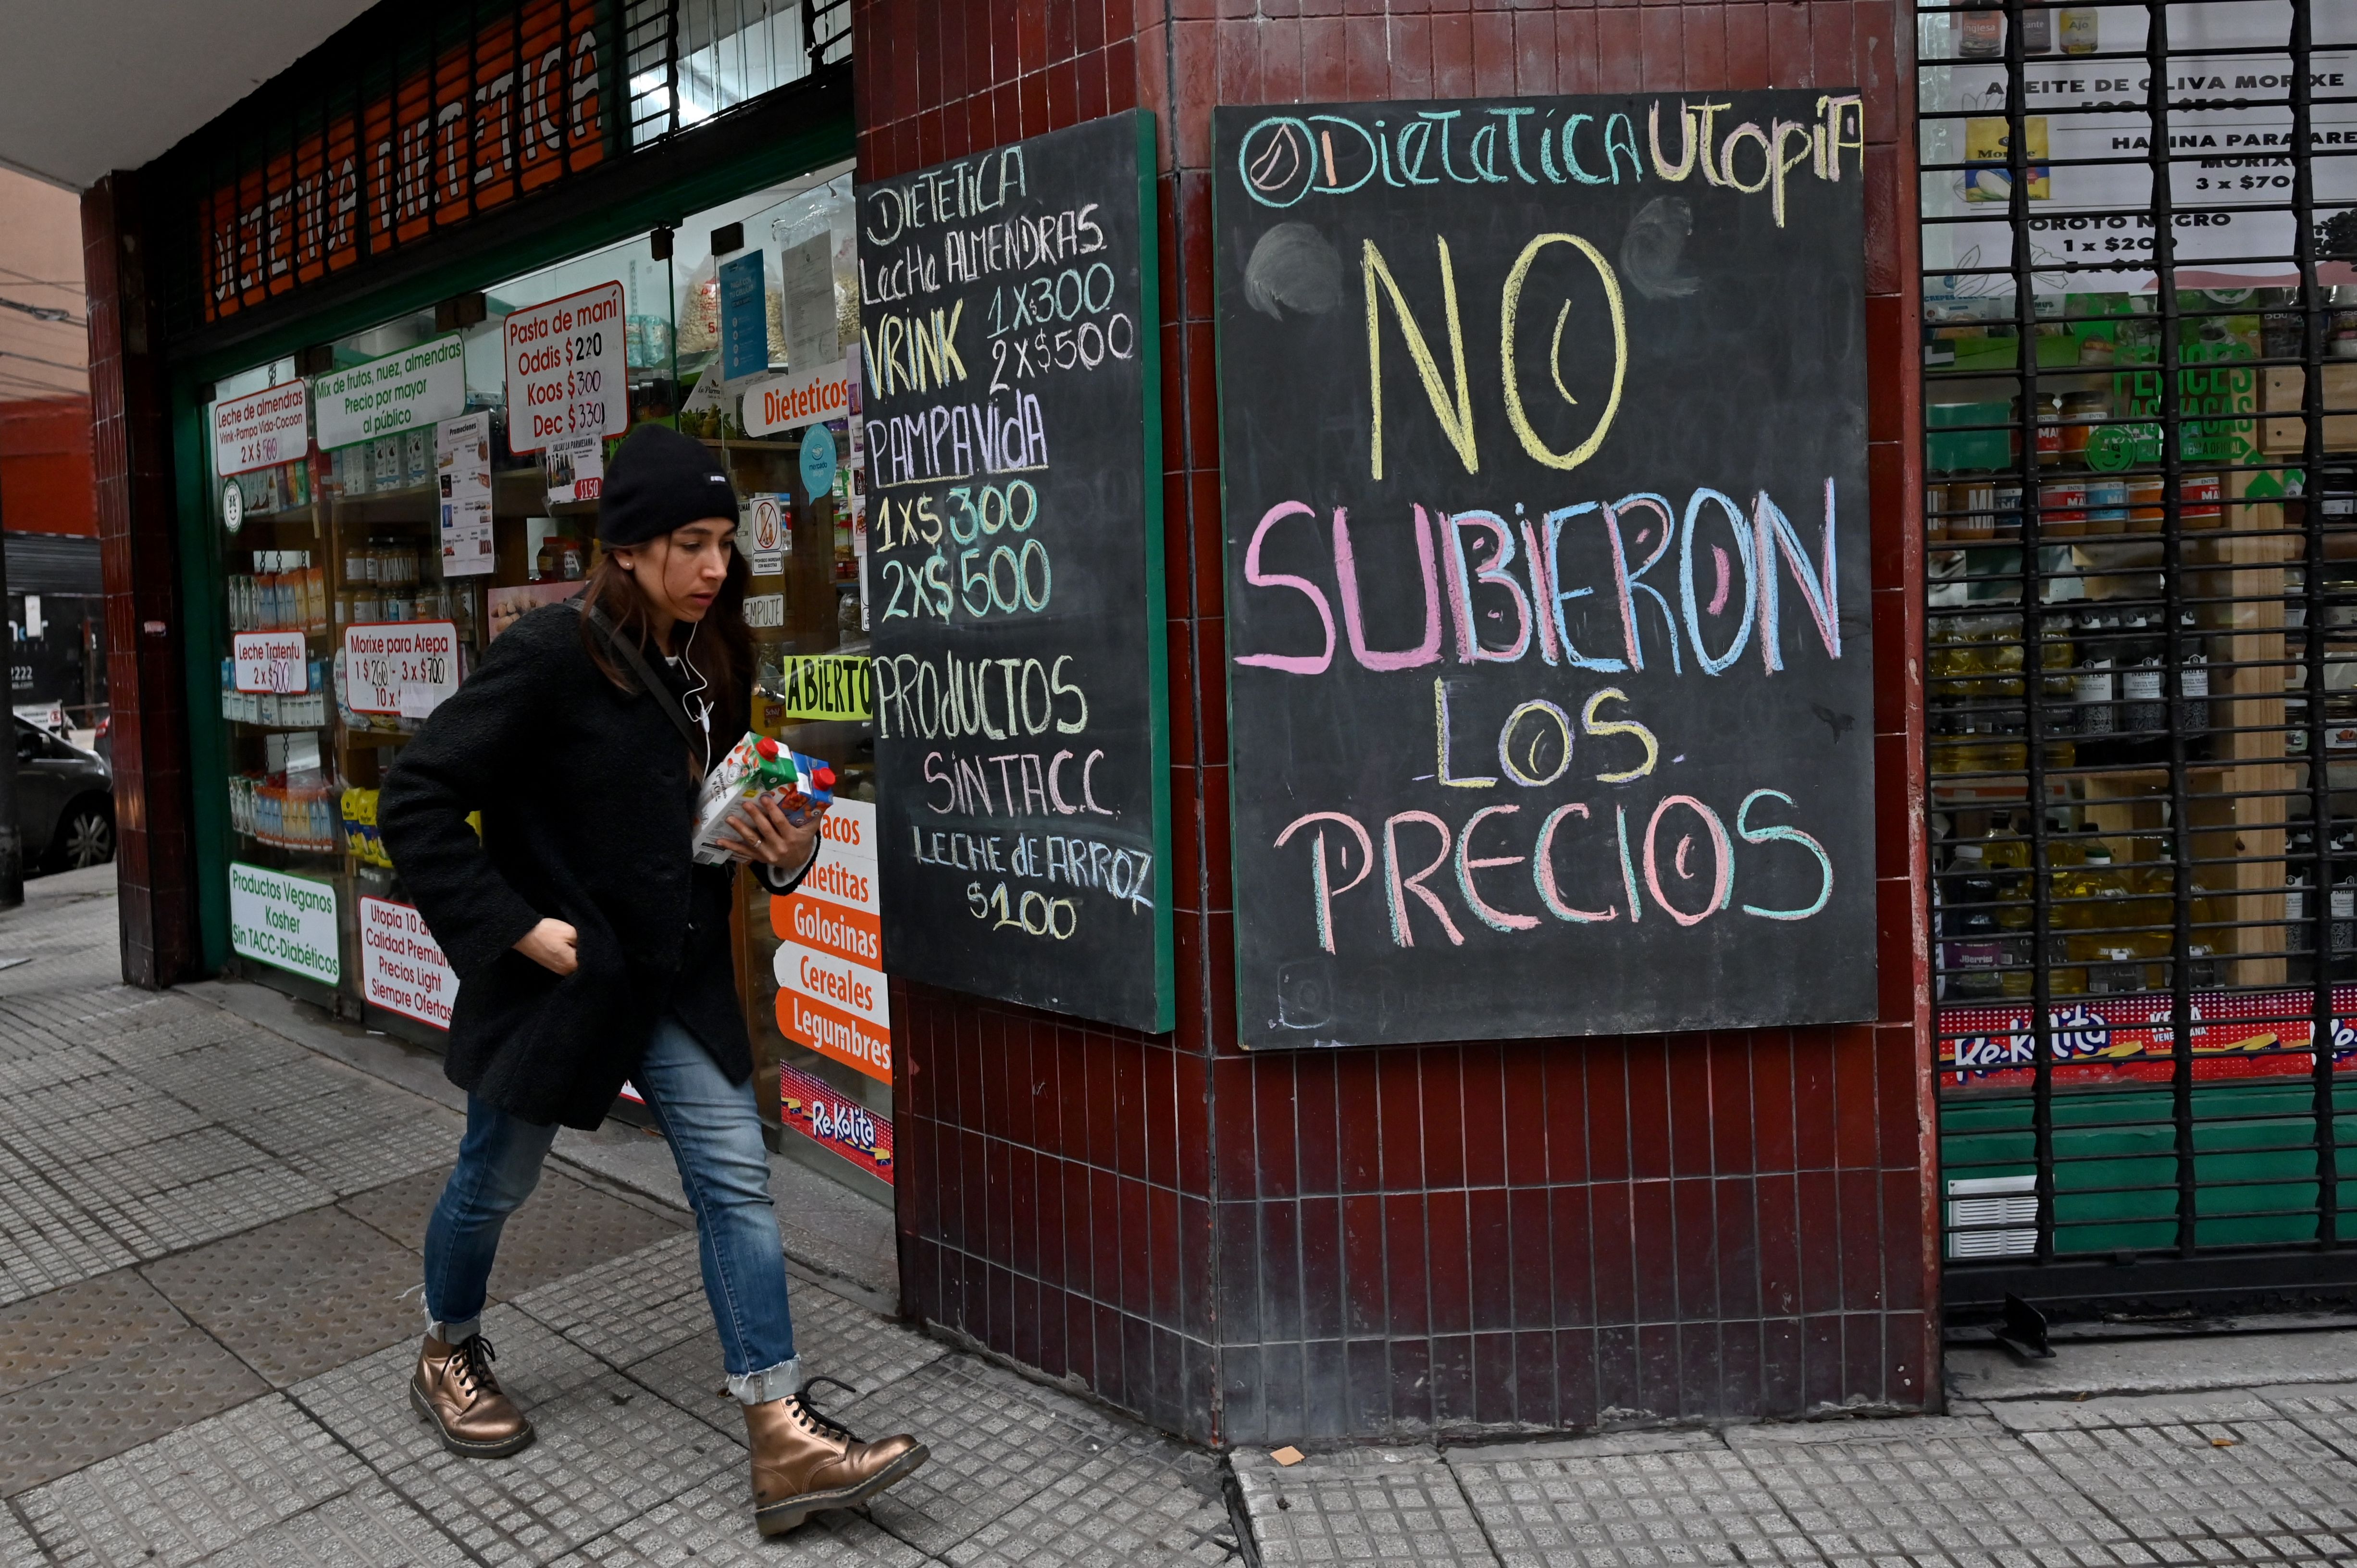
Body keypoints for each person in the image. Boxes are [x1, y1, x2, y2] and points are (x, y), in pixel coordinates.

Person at [380, 421, 926, 1535]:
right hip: (564, 983)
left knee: (735, 1182)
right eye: (690, 542)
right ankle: (445, 1348)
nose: (715, 566)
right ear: (625, 547)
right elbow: (417, 800)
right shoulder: (545, 655)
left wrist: (788, 851)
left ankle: (779, 1432)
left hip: (673, 982)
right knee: (495, 1182)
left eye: (724, 541)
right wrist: (515, 927)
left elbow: (713, 826)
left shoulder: (716, 661)